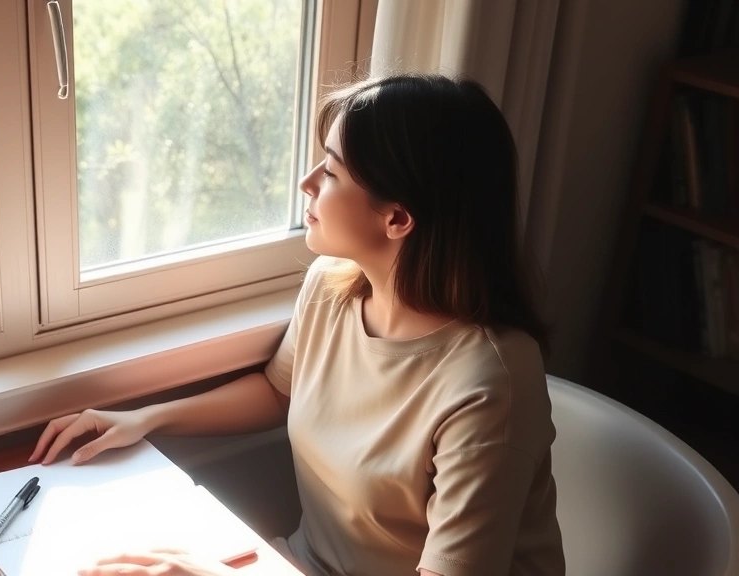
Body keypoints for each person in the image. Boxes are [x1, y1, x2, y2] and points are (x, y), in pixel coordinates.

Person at [30, 73, 566, 576]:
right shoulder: (332, 286)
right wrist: (145, 419)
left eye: (331, 171)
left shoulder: (490, 381)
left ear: (397, 218)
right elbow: (276, 391)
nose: (308, 182)